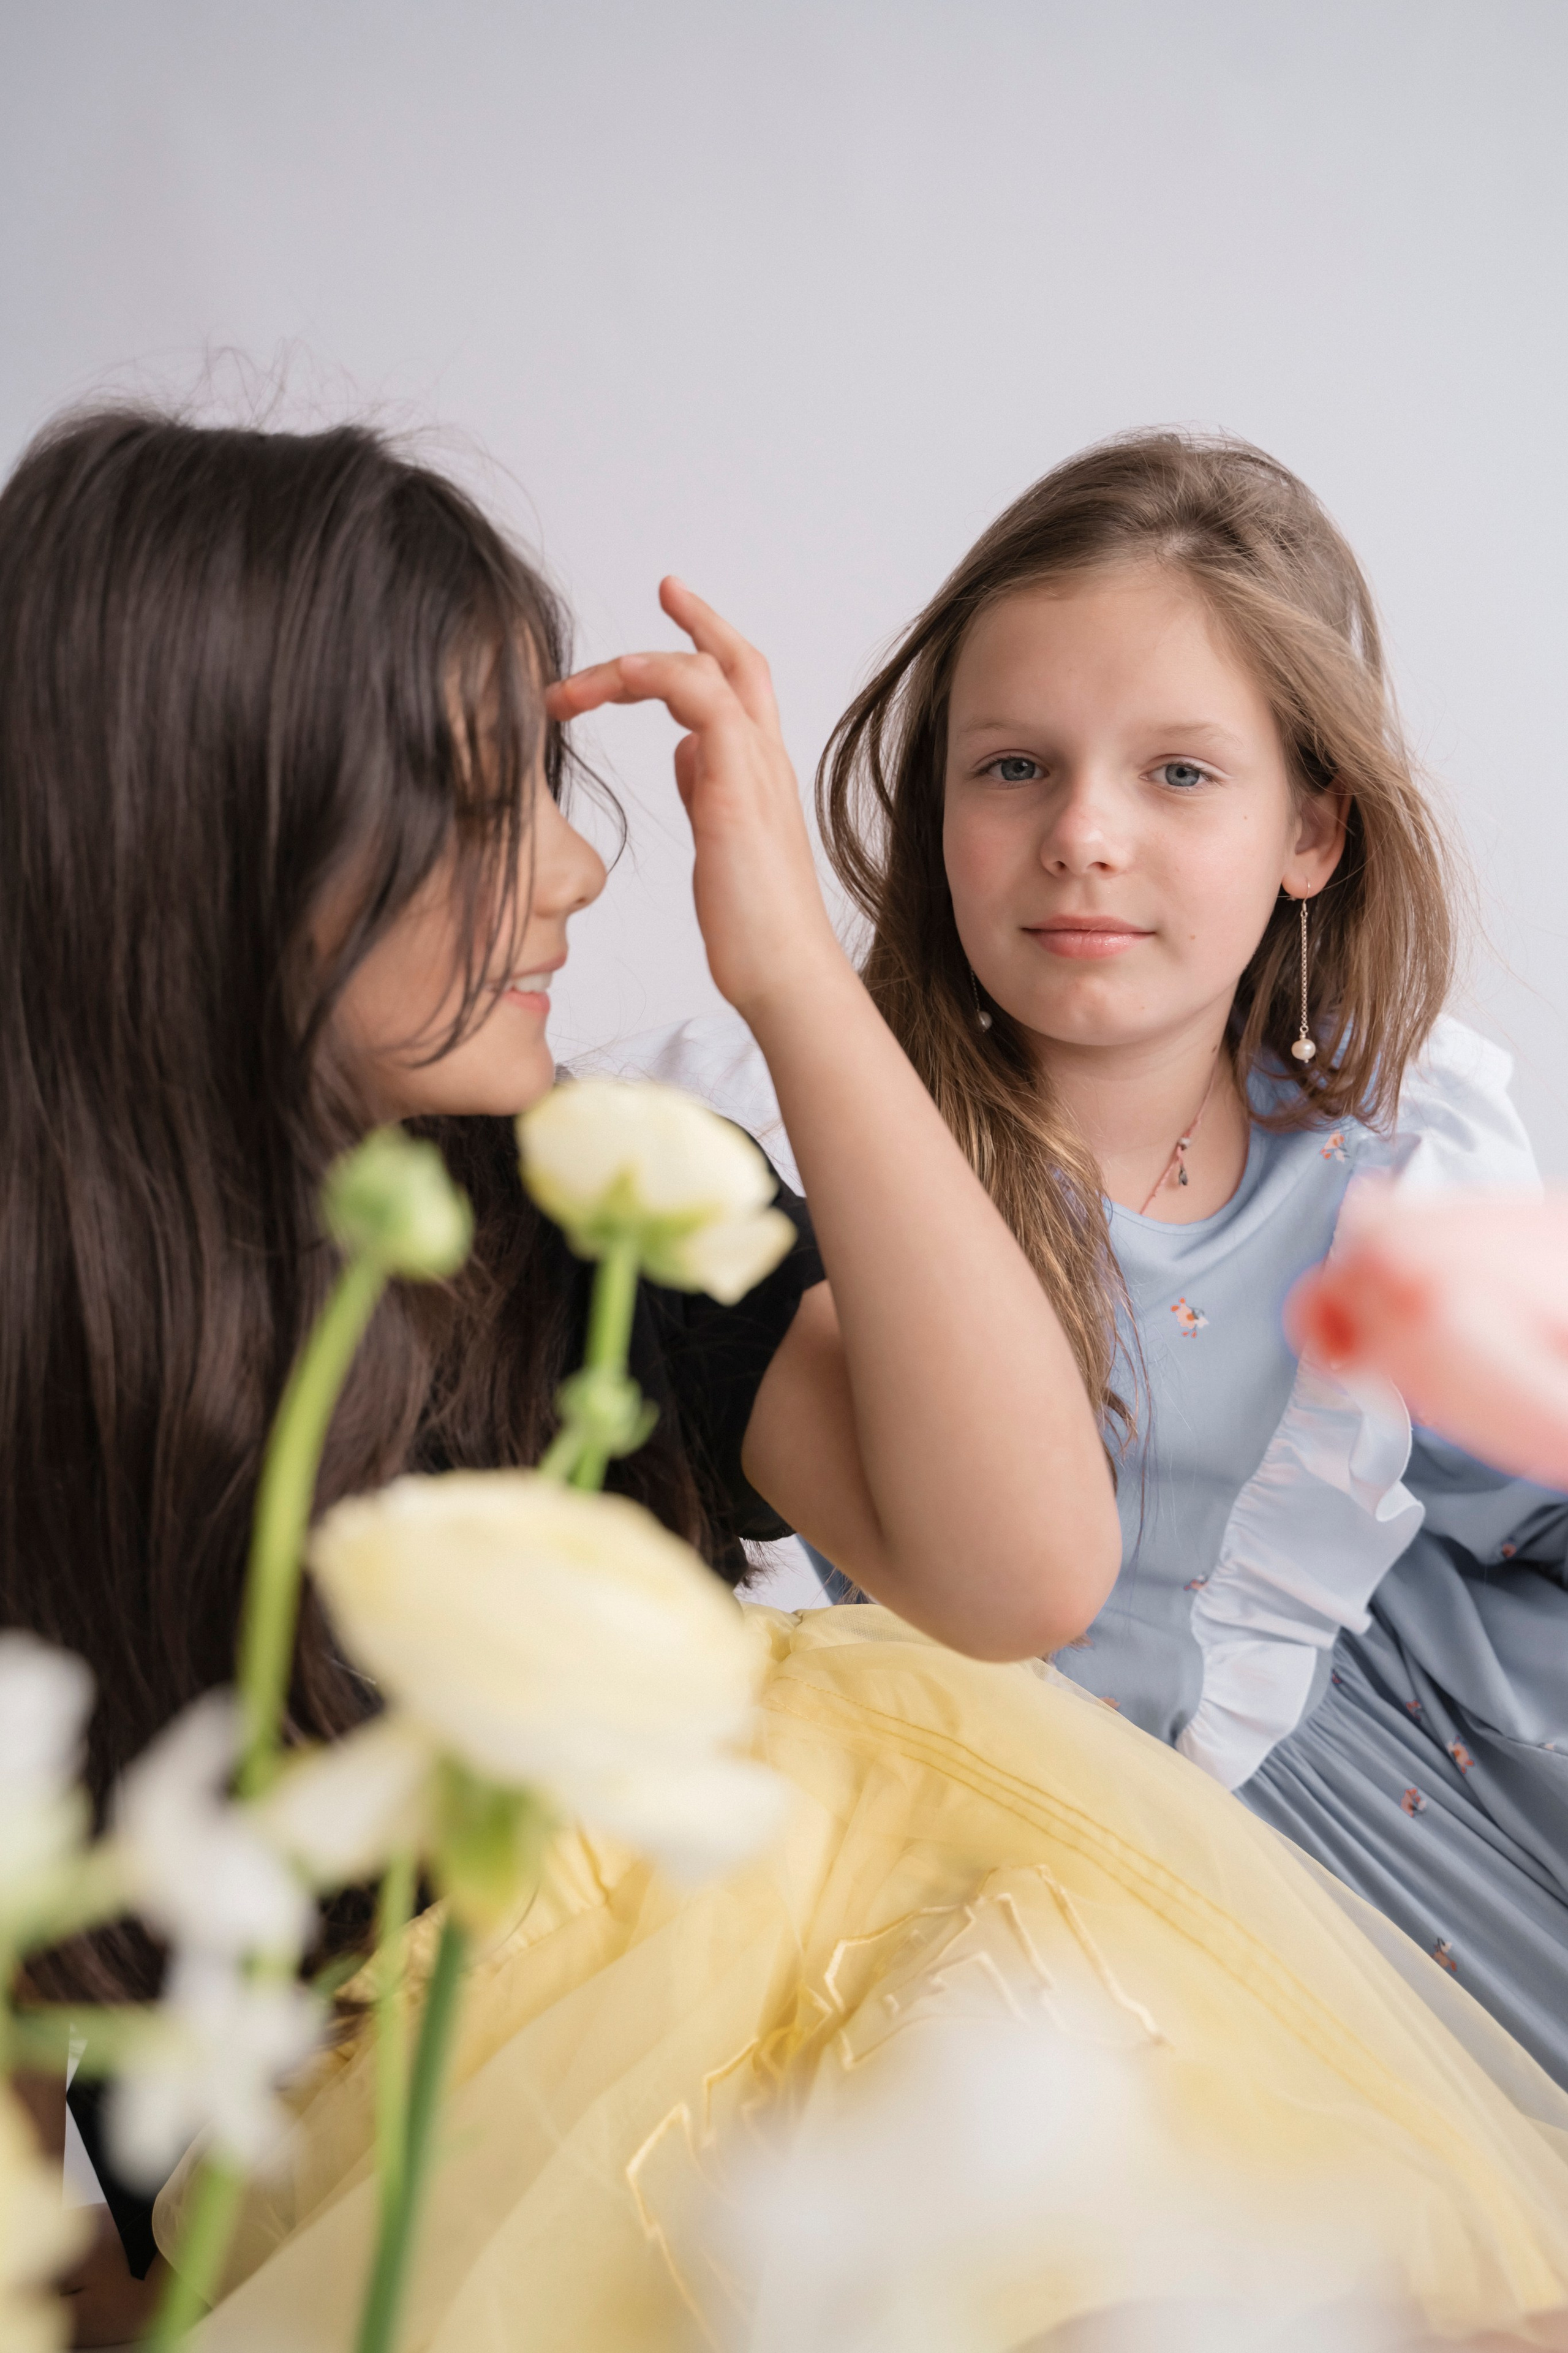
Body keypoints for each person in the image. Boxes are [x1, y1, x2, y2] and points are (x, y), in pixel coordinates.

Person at [6, 412, 1568, 2348]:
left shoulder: (600, 1219)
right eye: (488, 807)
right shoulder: (39, 1389)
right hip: (410, 2215)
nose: (583, 867)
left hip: (816, 2068)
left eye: (560, 788)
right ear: (204, 848)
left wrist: (798, 988)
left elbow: (1022, 1574)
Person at [619, 429, 1568, 2100]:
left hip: (1355, 1907)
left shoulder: (1398, 1176)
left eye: (1180, 774)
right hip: (933, 1933)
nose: (1085, 836)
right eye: (1014, 768)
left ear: (1314, 831)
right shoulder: (797, 1137)